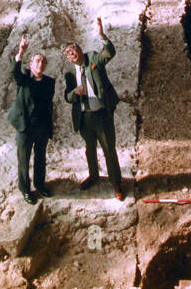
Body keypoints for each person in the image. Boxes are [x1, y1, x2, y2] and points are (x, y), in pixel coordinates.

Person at [64, 17, 124, 200]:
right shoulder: (70, 74)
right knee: (90, 148)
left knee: (108, 148)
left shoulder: (93, 58)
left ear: (80, 49)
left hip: (101, 113)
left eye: (73, 50)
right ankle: (94, 175)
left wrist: (101, 35)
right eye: (68, 53)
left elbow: (109, 53)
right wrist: (75, 92)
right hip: (84, 117)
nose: (71, 54)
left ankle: (116, 183)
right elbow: (67, 97)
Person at [7, 35, 55, 204]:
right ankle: (25, 189)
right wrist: (21, 50)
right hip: (24, 127)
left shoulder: (50, 82)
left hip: (41, 126)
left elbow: (48, 104)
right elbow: (14, 70)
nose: (40, 64)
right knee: (24, 159)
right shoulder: (24, 79)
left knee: (41, 157)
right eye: (36, 61)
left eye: (42, 62)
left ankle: (40, 185)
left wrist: (49, 127)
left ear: (45, 66)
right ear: (31, 65)